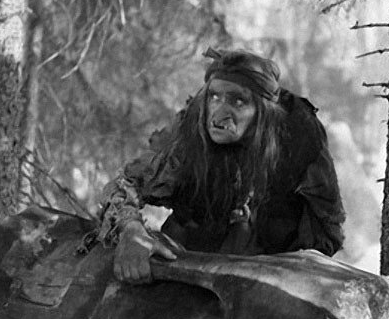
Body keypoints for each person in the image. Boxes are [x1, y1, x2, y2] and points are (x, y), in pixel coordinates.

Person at [97, 47, 346, 283]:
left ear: (264, 112)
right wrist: (131, 232)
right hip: (188, 260)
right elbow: (126, 184)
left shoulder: (299, 141)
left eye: (238, 102)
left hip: (269, 273)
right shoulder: (193, 131)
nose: (219, 114)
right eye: (215, 97)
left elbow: (326, 235)